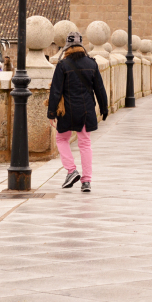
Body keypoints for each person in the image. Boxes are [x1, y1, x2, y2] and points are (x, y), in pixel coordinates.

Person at [47, 32, 108, 193]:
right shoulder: (92, 63)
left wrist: (51, 112)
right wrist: (104, 108)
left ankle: (71, 170)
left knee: (62, 138)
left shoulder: (63, 65)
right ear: (81, 46)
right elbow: (99, 89)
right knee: (85, 143)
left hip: (68, 110)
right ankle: (86, 181)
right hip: (87, 109)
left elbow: (55, 91)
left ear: (67, 47)